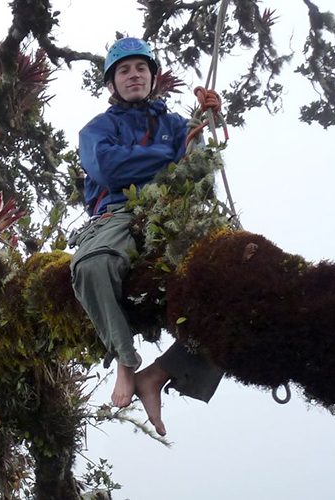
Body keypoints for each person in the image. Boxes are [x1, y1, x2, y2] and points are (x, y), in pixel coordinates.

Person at [69, 37, 223, 436]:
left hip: (172, 215)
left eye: (141, 68)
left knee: (232, 282)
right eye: (124, 70)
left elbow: (197, 172)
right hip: (117, 214)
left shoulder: (177, 126)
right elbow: (108, 168)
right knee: (92, 264)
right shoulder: (97, 129)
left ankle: (160, 374)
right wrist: (169, 154)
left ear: (153, 77)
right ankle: (125, 359)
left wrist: (200, 130)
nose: (133, 75)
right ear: (111, 84)